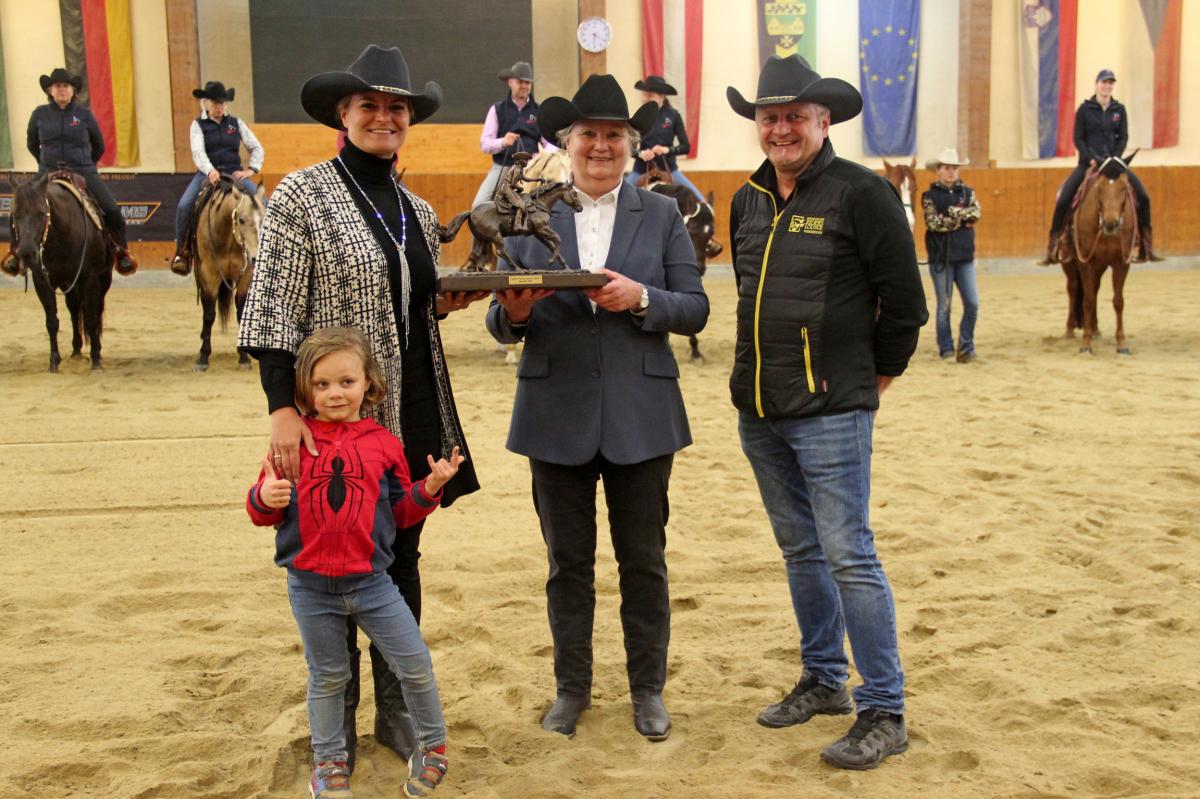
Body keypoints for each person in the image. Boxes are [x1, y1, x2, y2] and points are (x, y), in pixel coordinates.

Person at [237, 44, 486, 773]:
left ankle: (394, 707)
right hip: (324, 419)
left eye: (396, 108)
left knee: (398, 554)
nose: (384, 117)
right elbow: (273, 305)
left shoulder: (415, 206)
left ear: (408, 120)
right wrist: (283, 408)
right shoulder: (299, 194)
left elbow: (409, 306)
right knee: (327, 553)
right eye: (369, 105)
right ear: (343, 115)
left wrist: (447, 301)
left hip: (404, 410)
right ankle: (336, 709)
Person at [486, 74, 709, 742]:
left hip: (643, 415)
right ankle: (571, 688)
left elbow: (694, 306)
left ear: (631, 145)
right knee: (567, 566)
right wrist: (515, 313)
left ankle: (648, 690)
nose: (602, 146)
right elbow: (500, 318)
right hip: (555, 412)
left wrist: (642, 298)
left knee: (644, 560)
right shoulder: (531, 211)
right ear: (568, 142)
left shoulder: (665, 214)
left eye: (615, 135)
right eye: (589, 135)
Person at [725, 55, 928, 770]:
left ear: (823, 121)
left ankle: (885, 706)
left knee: (849, 553)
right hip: (759, 407)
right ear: (758, 124)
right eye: (770, 116)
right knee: (801, 549)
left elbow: (905, 304)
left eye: (795, 116)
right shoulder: (746, 198)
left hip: (832, 408)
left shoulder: (862, 194)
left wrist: (870, 381)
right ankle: (823, 679)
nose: (781, 128)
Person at [246, 326, 460, 799]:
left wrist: (430, 488)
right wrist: (265, 496)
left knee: (415, 663)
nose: (334, 393)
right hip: (309, 587)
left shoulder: (384, 443)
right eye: (321, 385)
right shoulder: (293, 444)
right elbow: (263, 511)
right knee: (329, 677)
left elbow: (400, 511)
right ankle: (329, 763)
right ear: (305, 389)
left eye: (346, 382)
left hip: (373, 583)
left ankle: (433, 747)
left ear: (369, 383)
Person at [21, 67, 136, 275]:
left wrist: (86, 165)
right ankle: (17, 254)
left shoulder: (84, 115)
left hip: (82, 170)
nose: (62, 89)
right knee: (23, 206)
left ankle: (121, 252)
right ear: (50, 90)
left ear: (73, 90)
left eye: (66, 86)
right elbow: (31, 143)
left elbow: (98, 144)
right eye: (58, 86)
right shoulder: (39, 114)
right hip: (48, 171)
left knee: (112, 210)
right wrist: (44, 163)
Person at [1041, 69, 1161, 263]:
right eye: (1104, 83)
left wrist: (1116, 158)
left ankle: (1146, 247)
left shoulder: (1119, 110)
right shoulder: (1084, 110)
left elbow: (1123, 137)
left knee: (1144, 197)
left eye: (1110, 83)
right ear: (1096, 84)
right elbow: (1078, 139)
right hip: (1089, 163)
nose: (1107, 86)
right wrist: (1090, 158)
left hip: (1114, 164)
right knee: (1064, 198)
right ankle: (1054, 244)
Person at [169, 81, 265, 276]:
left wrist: (252, 169)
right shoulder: (198, 125)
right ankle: (183, 252)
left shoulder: (236, 123)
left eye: (222, 103)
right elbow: (198, 152)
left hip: (234, 173)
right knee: (184, 206)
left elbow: (257, 147)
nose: (219, 107)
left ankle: (269, 251)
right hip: (207, 175)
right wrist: (210, 170)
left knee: (264, 202)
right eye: (215, 103)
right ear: (205, 103)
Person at [922, 148, 982, 363]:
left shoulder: (968, 193)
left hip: (964, 257)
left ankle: (966, 346)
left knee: (973, 303)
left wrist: (952, 213)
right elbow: (933, 223)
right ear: (938, 170)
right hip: (941, 259)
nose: (951, 172)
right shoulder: (929, 196)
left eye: (954, 168)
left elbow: (976, 213)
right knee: (944, 305)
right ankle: (946, 348)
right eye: (947, 168)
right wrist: (962, 220)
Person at [471, 61, 557, 208]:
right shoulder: (497, 109)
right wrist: (503, 142)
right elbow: (485, 144)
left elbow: (550, 142)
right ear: (510, 82)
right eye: (520, 82)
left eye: (527, 83)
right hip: (503, 166)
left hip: (532, 168)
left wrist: (542, 156)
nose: (524, 86)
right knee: (478, 205)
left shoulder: (539, 110)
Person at [624, 75, 704, 202]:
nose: (645, 99)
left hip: (669, 170)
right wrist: (641, 153)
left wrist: (666, 150)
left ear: (661, 97)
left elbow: (685, 147)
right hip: (641, 170)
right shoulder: (639, 116)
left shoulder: (673, 116)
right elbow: (629, 148)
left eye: (650, 95)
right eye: (644, 95)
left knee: (699, 199)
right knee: (619, 197)